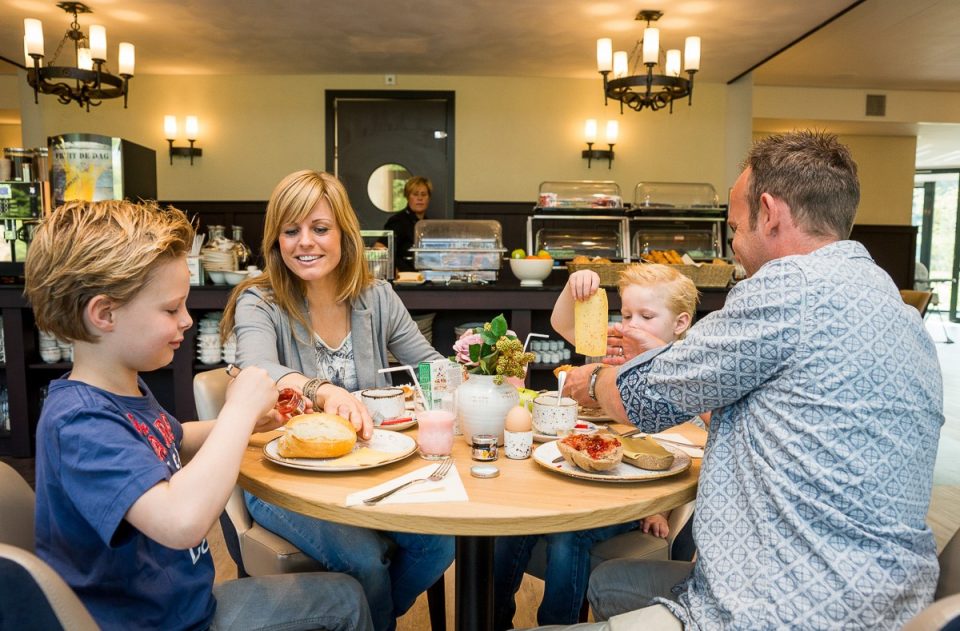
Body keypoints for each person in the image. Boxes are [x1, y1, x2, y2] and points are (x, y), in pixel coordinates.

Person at [555, 130, 944, 630]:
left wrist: (589, 379)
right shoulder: (897, 308)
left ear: (770, 211)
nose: (734, 245)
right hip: (892, 604)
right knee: (611, 583)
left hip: (782, 609)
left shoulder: (788, 288)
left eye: (736, 227)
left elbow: (636, 400)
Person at [23, 199, 372, 631]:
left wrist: (249, 424)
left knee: (346, 595)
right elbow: (181, 522)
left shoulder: (121, 388)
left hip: (186, 606)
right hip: (154, 624)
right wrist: (237, 414)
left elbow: (174, 438)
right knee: (347, 604)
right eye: (171, 310)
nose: (187, 320)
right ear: (104, 314)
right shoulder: (79, 422)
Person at [219, 169, 454, 631]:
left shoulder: (375, 295)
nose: (305, 242)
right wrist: (321, 389)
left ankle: (362, 618)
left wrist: (485, 373)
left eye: (320, 229)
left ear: (344, 233)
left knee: (439, 543)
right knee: (365, 560)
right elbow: (257, 368)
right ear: (276, 239)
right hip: (281, 476)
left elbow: (428, 365)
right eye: (291, 231)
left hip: (364, 468)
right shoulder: (258, 300)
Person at [492, 263, 699, 629]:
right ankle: (493, 619)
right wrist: (573, 288)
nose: (632, 324)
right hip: (584, 480)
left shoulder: (689, 372)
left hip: (630, 499)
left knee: (567, 535)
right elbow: (564, 325)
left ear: (680, 324)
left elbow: (686, 453)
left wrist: (660, 511)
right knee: (510, 524)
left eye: (647, 316)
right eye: (628, 313)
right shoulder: (619, 349)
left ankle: (559, 625)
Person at [380, 175, 432, 272]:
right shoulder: (398, 221)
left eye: (423, 194)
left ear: (429, 198)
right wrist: (392, 270)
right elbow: (380, 248)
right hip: (403, 281)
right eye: (415, 194)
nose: (420, 198)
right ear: (408, 197)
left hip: (426, 277)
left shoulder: (428, 224)